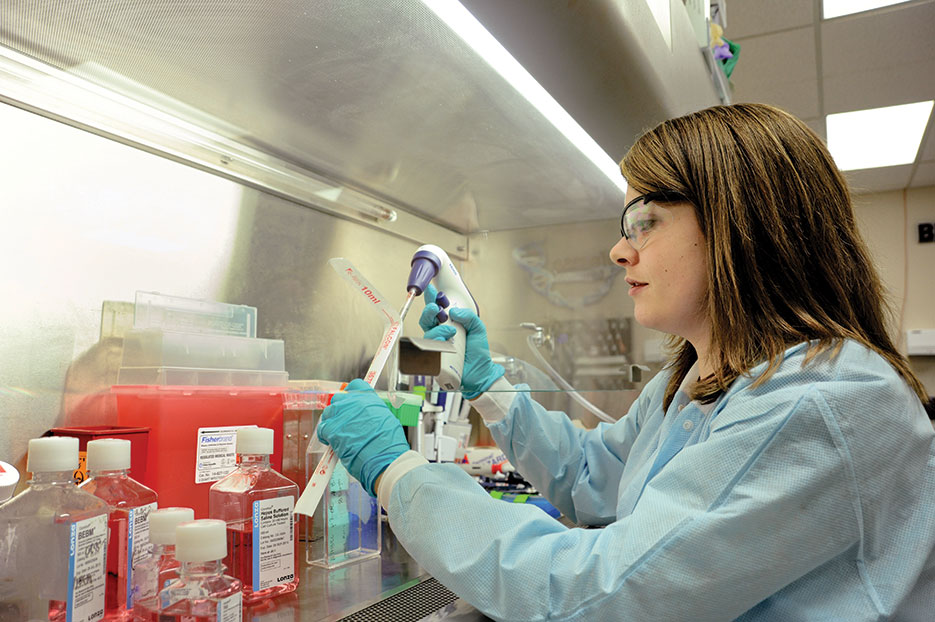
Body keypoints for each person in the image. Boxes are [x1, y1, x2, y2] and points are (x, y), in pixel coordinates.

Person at [317, 103, 935, 621]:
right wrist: (486, 385)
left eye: (645, 223)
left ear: (738, 229)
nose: (619, 251)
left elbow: (598, 595)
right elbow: (598, 478)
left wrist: (395, 472)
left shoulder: (817, 400)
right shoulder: (695, 375)